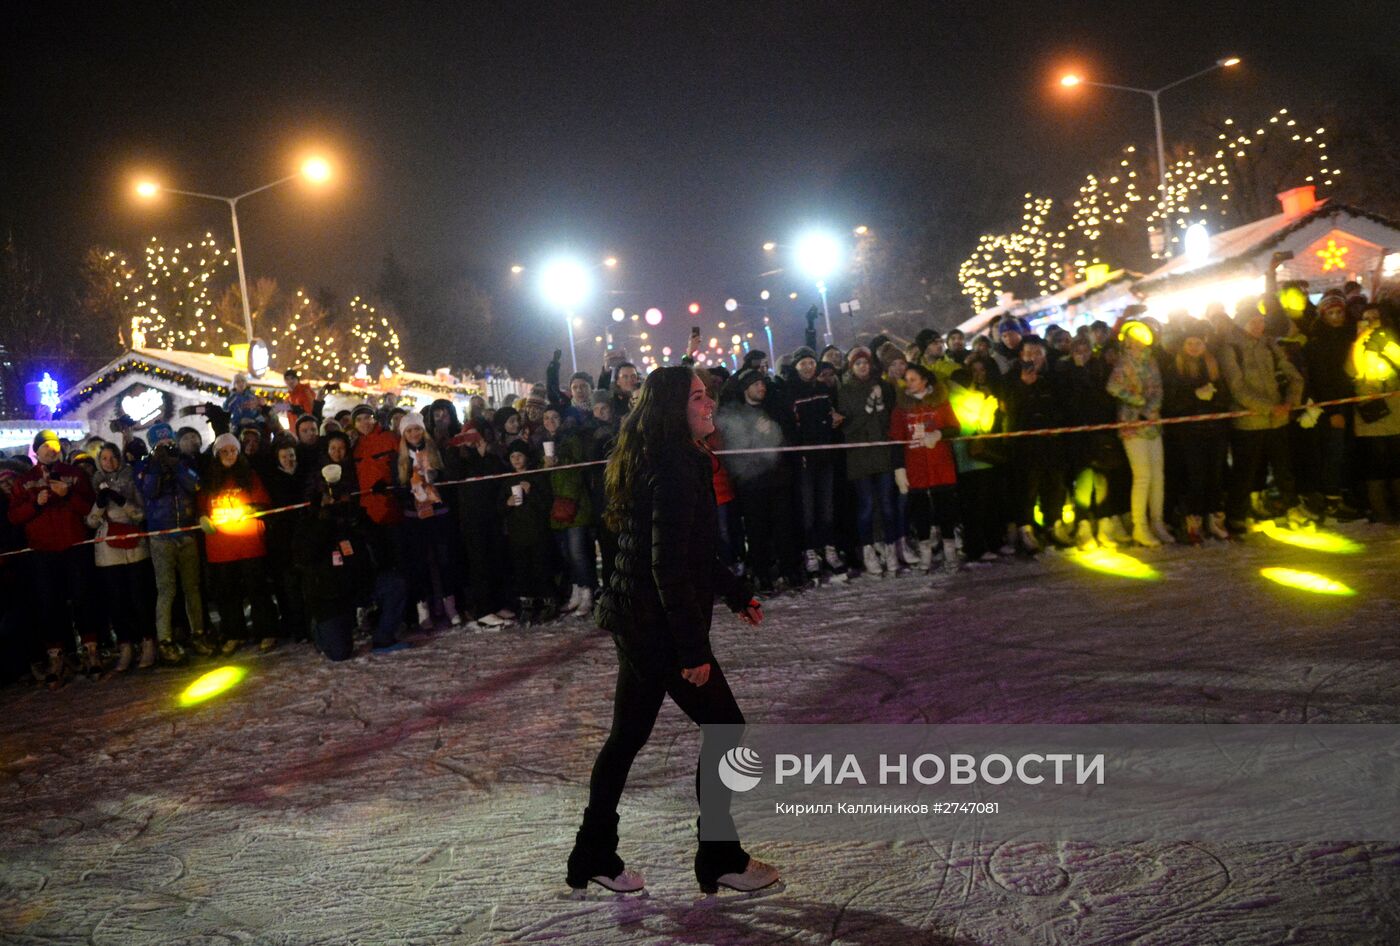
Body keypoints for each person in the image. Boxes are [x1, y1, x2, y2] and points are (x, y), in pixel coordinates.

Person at [568, 366, 776, 898]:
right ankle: (720, 856)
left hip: (638, 619)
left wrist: (733, 591)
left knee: (627, 737)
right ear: (672, 409)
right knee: (726, 728)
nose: (710, 405)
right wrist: (692, 648)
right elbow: (667, 565)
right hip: (655, 625)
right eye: (699, 397)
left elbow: (688, 551)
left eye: (709, 396)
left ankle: (593, 853)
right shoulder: (676, 466)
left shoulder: (665, 458)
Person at [299, 440, 408, 660]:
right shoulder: (310, 520)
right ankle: (321, 630)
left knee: (395, 584)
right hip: (330, 594)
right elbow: (304, 555)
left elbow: (377, 543)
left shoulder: (355, 514)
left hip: (358, 583)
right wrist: (324, 520)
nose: (337, 498)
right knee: (339, 654)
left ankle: (384, 636)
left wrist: (357, 520)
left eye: (341, 493)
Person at [8, 430, 100, 686]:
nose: (51, 450)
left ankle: (91, 651)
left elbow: (90, 507)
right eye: (46, 446)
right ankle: (57, 657)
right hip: (43, 551)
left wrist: (68, 495)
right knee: (51, 605)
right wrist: (36, 503)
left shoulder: (74, 474)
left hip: (74, 546)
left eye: (55, 445)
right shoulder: (24, 481)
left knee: (83, 598)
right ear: (36, 450)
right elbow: (14, 517)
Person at [1221, 300, 1305, 530]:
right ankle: (1237, 514)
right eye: (1253, 322)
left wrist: (1291, 400)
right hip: (1249, 422)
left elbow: (1293, 375)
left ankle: (1289, 507)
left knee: (1283, 468)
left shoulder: (1270, 345)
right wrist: (1269, 407)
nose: (1258, 326)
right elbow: (1237, 388)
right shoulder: (1232, 349)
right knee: (1245, 471)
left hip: (1278, 419)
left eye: (1260, 321)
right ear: (1241, 324)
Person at [200, 433, 279, 654]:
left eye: (233, 450)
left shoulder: (250, 476)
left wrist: (254, 509)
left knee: (258, 590)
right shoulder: (209, 480)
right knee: (227, 593)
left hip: (249, 543)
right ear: (217, 454)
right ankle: (234, 634)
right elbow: (200, 508)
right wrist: (202, 518)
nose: (229, 455)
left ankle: (267, 631)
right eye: (224, 451)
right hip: (221, 547)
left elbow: (264, 503)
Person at [87, 442, 157, 671]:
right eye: (104, 458)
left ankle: (148, 642)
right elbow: (90, 522)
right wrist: (99, 505)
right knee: (117, 601)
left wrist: (121, 501)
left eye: (113, 457)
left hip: (134, 544)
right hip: (108, 549)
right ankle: (126, 645)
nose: (109, 462)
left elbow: (140, 512)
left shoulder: (130, 479)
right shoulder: (95, 483)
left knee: (140, 597)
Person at [142, 423, 209, 660]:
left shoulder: (184, 462)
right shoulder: (147, 465)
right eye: (160, 444)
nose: (165, 447)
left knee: (192, 588)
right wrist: (157, 468)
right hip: (161, 537)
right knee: (166, 590)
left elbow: (196, 484)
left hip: (187, 533)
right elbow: (148, 492)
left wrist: (176, 465)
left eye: (168, 442)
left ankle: (199, 634)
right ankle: (166, 640)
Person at [1163, 320, 1232, 542]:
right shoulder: (1175, 368)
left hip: (1215, 429)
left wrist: (1215, 396)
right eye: (1190, 343)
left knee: (1216, 474)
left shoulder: (1213, 365)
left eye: (1198, 343)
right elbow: (1170, 402)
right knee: (1195, 476)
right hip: (1189, 432)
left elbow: (1226, 394)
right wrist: (1194, 396)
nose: (1194, 347)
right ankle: (1193, 519)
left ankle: (1213, 516)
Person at [836, 346, 903, 576]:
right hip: (859, 457)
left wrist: (880, 405)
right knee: (866, 506)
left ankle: (891, 550)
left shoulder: (882, 386)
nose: (863, 367)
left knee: (887, 505)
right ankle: (869, 552)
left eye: (865, 363)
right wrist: (868, 406)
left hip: (882, 453)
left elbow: (888, 420)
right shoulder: (845, 391)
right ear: (851, 367)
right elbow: (849, 426)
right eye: (858, 363)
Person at [1106, 318, 1173, 547]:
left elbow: (1158, 388)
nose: (1138, 343)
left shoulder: (1152, 362)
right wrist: (1138, 402)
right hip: (1132, 425)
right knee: (1142, 475)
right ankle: (1139, 526)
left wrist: (1152, 408)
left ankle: (1157, 522)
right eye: (1133, 339)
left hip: (1152, 423)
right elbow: (1113, 387)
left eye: (1141, 339)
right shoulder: (1123, 364)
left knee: (1158, 475)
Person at [890, 364, 961, 573]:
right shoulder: (901, 408)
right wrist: (899, 469)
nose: (908, 383)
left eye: (913, 379)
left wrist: (938, 434)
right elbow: (896, 439)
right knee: (920, 511)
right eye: (906, 379)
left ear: (925, 381)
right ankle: (925, 553)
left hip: (941, 465)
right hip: (916, 467)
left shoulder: (940, 402)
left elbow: (955, 427)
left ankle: (950, 551)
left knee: (945, 508)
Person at [397, 412, 463, 628]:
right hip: (414, 517)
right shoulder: (400, 460)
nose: (414, 434)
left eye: (417, 429)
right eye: (409, 430)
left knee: (445, 560)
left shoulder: (436, 452)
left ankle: (450, 604)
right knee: (419, 563)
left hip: (439, 513)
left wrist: (437, 478)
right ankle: (422, 608)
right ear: (404, 435)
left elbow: (451, 477)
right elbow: (396, 488)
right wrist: (407, 487)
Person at [786, 346, 845, 580]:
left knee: (827, 505)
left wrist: (833, 420)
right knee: (808, 507)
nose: (808, 367)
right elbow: (791, 425)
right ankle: (810, 551)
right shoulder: (791, 392)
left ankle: (829, 548)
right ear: (796, 366)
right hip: (804, 459)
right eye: (803, 364)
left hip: (825, 455)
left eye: (811, 363)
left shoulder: (823, 389)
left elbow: (828, 413)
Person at [541, 406, 597, 616]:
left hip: (575, 504)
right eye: (547, 418)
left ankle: (588, 593)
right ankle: (576, 590)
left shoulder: (572, 439)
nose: (550, 421)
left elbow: (579, 466)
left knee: (578, 552)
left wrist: (559, 462)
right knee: (567, 554)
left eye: (555, 416)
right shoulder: (543, 442)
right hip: (556, 506)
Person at [1348, 301, 1400, 522]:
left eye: (1374, 318)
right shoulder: (1357, 344)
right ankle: (1381, 510)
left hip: (1395, 409)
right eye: (1366, 318)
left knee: (1397, 461)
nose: (1370, 323)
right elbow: (1351, 371)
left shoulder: (1390, 338)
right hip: (1371, 412)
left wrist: (1385, 345)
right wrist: (1359, 343)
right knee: (1375, 464)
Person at [501, 440, 556, 625]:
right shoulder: (507, 479)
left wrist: (531, 491)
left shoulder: (536, 476)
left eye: (519, 456)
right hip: (517, 532)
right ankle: (526, 604)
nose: (516, 460)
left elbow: (546, 503)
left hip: (538, 530)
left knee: (542, 566)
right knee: (522, 568)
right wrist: (506, 503)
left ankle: (548, 601)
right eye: (513, 456)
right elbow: (499, 506)